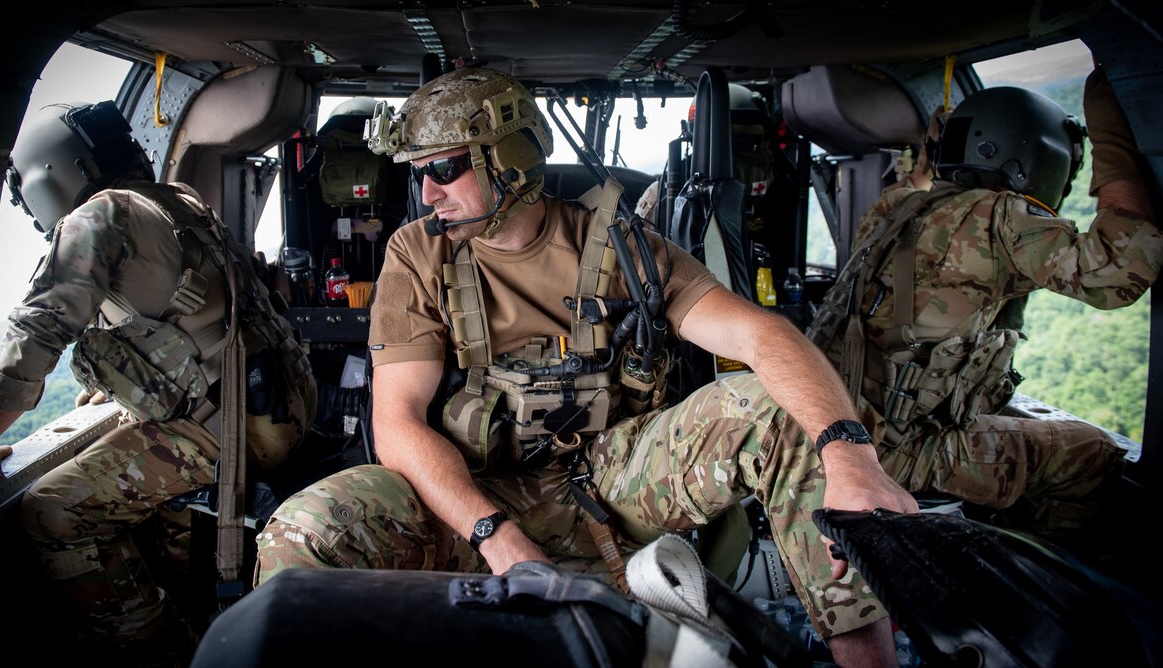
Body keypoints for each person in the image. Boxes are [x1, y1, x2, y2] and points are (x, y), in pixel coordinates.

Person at [252, 67, 917, 667]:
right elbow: (395, 423)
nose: (427, 192)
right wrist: (496, 537)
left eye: (446, 167)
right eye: (419, 171)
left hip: (613, 474)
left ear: (509, 160)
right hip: (478, 491)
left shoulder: (619, 246)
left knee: (778, 406)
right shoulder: (417, 254)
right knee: (303, 529)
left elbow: (762, 336)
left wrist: (851, 460)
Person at [0, 101, 317, 661]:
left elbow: (41, 328)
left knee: (52, 511)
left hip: (227, 427)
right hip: (280, 408)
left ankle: (160, 651)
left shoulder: (100, 217)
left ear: (49, 177)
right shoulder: (179, 203)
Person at [806, 64, 1162, 540]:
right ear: (1038, 160)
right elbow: (1120, 269)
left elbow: (922, 182)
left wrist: (936, 152)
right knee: (1093, 455)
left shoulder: (896, 206)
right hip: (894, 454)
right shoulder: (998, 219)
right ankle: (1022, 564)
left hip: (833, 431)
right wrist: (1113, 134)